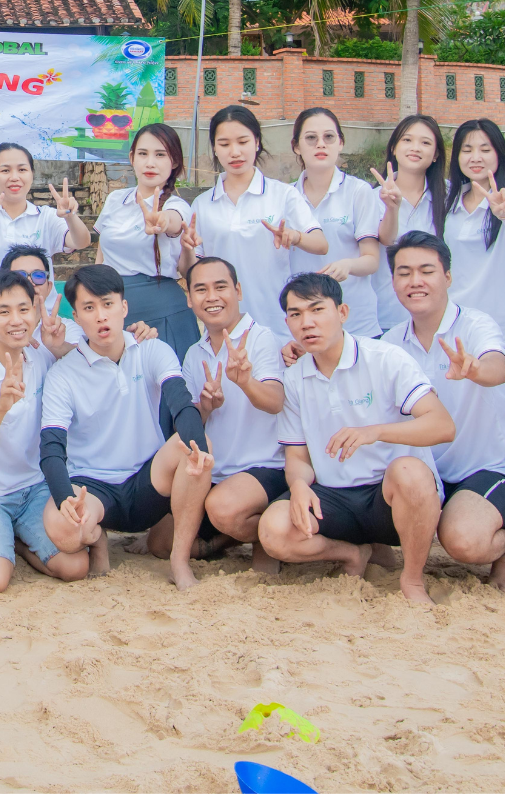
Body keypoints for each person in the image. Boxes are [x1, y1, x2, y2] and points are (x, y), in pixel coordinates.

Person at [260, 273, 455, 604]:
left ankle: (412, 580)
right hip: (334, 498)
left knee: (409, 471)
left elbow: (442, 425)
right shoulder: (292, 380)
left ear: (343, 312)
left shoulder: (385, 358)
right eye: (295, 314)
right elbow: (297, 457)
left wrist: (374, 431)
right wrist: (299, 486)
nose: (307, 322)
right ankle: (352, 553)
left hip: (389, 497)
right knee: (273, 530)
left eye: (317, 309)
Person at [40, 264, 214, 590]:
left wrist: (199, 449)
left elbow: (180, 402)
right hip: (94, 488)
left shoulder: (152, 349)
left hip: (148, 480)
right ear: (75, 317)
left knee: (194, 447)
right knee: (62, 529)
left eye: (108, 304)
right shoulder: (63, 374)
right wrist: (65, 498)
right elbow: (51, 447)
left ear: (124, 307)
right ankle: (97, 539)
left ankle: (179, 562)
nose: (101, 316)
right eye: (89, 308)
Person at [381, 232, 505, 591]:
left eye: (426, 271)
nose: (415, 281)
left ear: (448, 277)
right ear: (393, 282)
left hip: (492, 468)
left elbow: (498, 368)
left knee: (465, 541)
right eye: (404, 273)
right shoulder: (390, 343)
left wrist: (475, 369)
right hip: (429, 472)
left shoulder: (476, 325)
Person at [0, 268, 86, 591]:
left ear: (35, 312)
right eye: (4, 312)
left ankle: (19, 544)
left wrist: (59, 349)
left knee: (75, 566)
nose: (16, 320)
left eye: (24, 309)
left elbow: (91, 364)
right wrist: (1, 405)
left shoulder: (41, 356)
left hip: (35, 488)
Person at [180, 105, 326, 336]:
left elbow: (321, 244)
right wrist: (186, 248)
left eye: (243, 142)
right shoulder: (202, 204)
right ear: (215, 148)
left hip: (277, 324)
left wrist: (295, 236)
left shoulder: (282, 194)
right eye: (224, 144)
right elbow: (189, 271)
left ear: (257, 142)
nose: (235, 152)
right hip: (223, 327)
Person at [183, 257, 289, 574]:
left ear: (238, 290)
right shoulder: (194, 353)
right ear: (189, 298)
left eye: (221, 287)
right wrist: (206, 407)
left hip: (265, 467)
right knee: (162, 542)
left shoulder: (262, 338)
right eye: (201, 289)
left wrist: (245, 382)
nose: (212, 297)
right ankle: (237, 536)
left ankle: (273, 536)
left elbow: (275, 401)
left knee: (223, 508)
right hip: (216, 473)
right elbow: (191, 425)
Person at [0, 142, 90, 338]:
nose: (14, 177)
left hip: (40, 322)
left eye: (22, 169)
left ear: (32, 174)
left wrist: (70, 216)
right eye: (5, 170)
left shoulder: (46, 216)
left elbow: (81, 241)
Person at [434, 119, 505, 397]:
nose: (475, 157)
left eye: (485, 149)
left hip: (503, 326)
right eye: (467, 150)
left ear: (499, 154)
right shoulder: (447, 201)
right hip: (454, 323)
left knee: (504, 410)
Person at [96, 122, 200, 357]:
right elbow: (101, 255)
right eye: (143, 154)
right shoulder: (115, 199)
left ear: (174, 162)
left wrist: (161, 221)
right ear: (132, 158)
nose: (150, 163)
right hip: (113, 310)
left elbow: (173, 222)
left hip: (163, 312)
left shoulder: (177, 205)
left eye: (160, 155)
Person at [286, 108, 385, 337]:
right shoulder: (285, 196)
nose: (321, 144)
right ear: (296, 146)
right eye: (311, 138)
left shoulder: (358, 191)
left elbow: (371, 260)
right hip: (304, 325)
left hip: (356, 322)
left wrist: (348, 265)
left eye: (329, 137)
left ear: (340, 143)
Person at [373, 115, 447, 333]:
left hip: (437, 322)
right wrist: (392, 208)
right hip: (386, 318)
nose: (415, 148)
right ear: (394, 148)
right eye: (407, 140)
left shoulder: (450, 196)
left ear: (436, 154)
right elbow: (386, 240)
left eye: (425, 142)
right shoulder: (370, 196)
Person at [0, 244, 83, 363]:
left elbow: (84, 368)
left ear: (49, 287)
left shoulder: (65, 329)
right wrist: (5, 342)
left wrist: (57, 347)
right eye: (20, 276)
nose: (30, 283)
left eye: (38, 276)